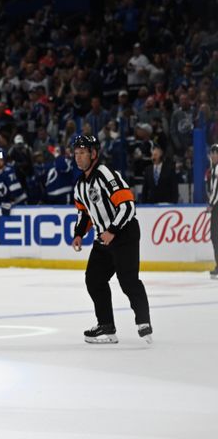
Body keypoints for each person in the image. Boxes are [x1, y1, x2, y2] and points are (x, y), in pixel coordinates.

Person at [70, 135, 152, 344]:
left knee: (128, 280)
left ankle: (144, 323)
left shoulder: (106, 174)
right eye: (76, 153)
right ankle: (106, 326)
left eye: (82, 153)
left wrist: (113, 230)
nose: (78, 158)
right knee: (94, 279)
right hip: (104, 239)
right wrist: (79, 233)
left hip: (124, 233)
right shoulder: (80, 185)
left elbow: (127, 205)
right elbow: (84, 214)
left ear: (93, 154)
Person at [207, 144, 218, 278]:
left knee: (215, 237)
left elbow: (216, 190)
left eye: (215, 153)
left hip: (216, 207)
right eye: (212, 153)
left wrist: (211, 203)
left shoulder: (216, 169)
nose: (214, 155)